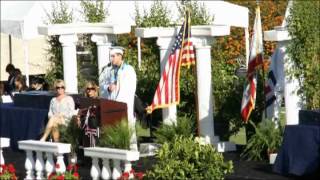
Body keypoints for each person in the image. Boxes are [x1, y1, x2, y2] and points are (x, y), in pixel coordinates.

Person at [100, 46, 137, 150]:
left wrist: (117, 100)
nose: (111, 59)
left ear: (120, 56)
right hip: (112, 106)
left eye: (113, 56)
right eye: (110, 56)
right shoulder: (108, 71)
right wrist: (108, 87)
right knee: (113, 131)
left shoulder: (128, 70)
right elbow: (102, 85)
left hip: (123, 105)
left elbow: (129, 89)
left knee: (127, 130)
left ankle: (131, 155)